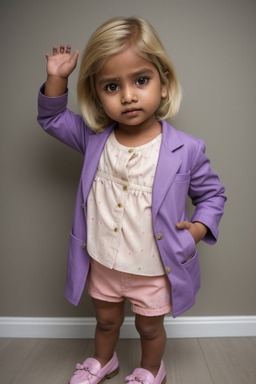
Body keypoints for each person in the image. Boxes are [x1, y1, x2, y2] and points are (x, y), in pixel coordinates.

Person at [37, 17, 226, 384]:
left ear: (165, 84)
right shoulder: (94, 139)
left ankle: (151, 370)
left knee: (149, 329)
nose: (127, 95)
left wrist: (198, 229)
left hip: (154, 268)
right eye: (111, 86)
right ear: (97, 96)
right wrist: (57, 78)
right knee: (105, 320)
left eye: (141, 80)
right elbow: (53, 118)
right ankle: (103, 361)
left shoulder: (186, 149)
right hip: (103, 260)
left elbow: (212, 194)